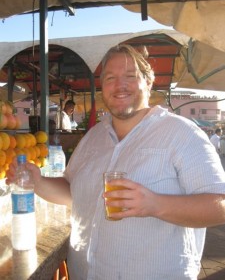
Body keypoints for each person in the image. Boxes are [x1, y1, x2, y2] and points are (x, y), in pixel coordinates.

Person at [6, 45, 225, 280]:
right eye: (110, 78)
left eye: (130, 76)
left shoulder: (181, 134)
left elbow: (219, 205)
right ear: (103, 88)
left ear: (148, 83)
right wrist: (37, 182)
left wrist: (155, 204)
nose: (120, 85)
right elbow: (73, 192)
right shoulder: (93, 137)